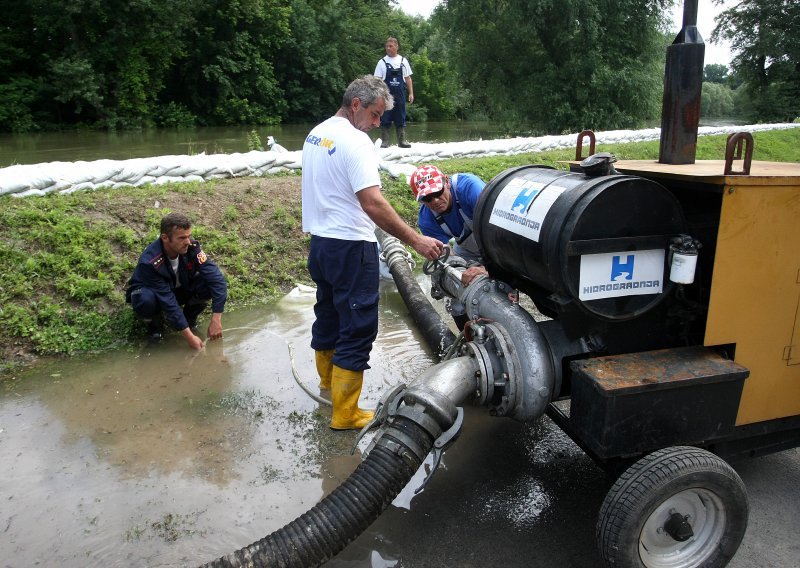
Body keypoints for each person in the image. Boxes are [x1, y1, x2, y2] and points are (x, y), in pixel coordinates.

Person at [302, 75, 444, 430]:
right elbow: (373, 203)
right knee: (358, 326)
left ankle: (327, 386)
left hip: (320, 245)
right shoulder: (356, 141)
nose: (378, 123)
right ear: (355, 105)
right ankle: (346, 413)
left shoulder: (316, 134)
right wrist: (417, 240)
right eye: (376, 114)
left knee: (329, 315)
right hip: (350, 247)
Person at [125, 213, 227, 350]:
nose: (188, 241)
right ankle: (155, 327)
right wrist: (189, 337)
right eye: (182, 238)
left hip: (180, 288)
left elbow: (217, 279)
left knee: (207, 284)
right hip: (156, 295)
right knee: (145, 299)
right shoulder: (149, 262)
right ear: (165, 238)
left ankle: (189, 319)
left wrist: (216, 319)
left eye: (189, 236)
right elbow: (167, 299)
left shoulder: (192, 247)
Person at [410, 164, 489, 329]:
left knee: (501, 289)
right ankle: (468, 341)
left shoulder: (470, 189)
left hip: (496, 240)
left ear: (446, 181)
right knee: (456, 294)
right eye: (427, 199)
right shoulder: (426, 219)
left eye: (438, 193)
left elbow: (499, 232)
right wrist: (457, 274)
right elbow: (447, 254)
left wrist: (486, 269)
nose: (435, 201)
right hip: (467, 249)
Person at [373, 37, 414, 149]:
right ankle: (385, 141)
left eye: (391, 46)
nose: (388, 48)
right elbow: (376, 81)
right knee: (385, 118)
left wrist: (411, 93)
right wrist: (377, 96)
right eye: (387, 46)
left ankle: (402, 141)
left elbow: (408, 78)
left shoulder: (403, 61)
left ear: (397, 47)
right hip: (386, 96)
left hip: (400, 95)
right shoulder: (382, 62)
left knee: (400, 117)